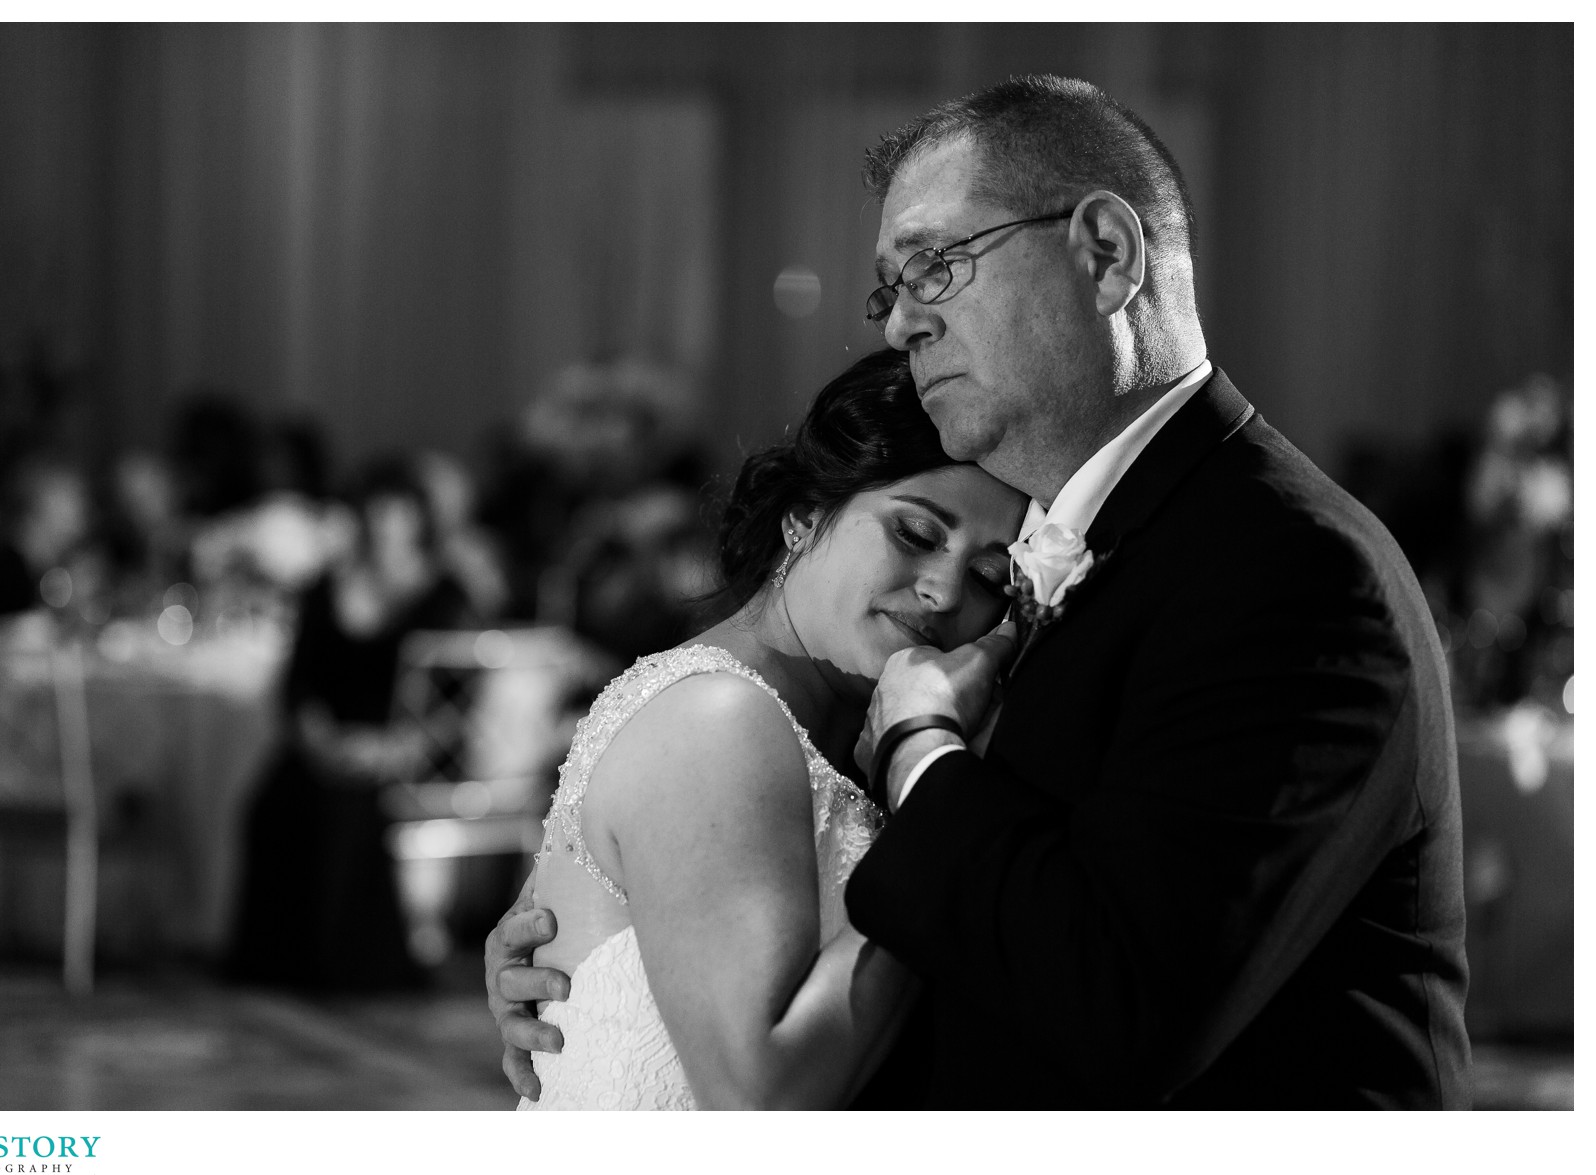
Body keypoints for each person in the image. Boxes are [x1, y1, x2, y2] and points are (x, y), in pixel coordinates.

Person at [489, 74, 1471, 1109]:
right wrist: (606, 946)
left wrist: (921, 755)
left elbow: (1121, 997)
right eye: (889, 288)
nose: (903, 324)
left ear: (1103, 253)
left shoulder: (1282, 569)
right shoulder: (1077, 549)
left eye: (935, 267)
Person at [505, 348, 1024, 1108]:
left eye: (988, 576)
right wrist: (935, 813)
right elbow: (759, 1096)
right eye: (915, 534)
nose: (945, 590)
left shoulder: (850, 724)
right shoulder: (718, 718)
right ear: (803, 515)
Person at [226, 457, 477, 991]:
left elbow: (459, 696)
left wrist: (398, 747)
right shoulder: (327, 586)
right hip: (333, 743)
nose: (387, 524)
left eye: (399, 512)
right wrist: (322, 741)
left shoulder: (445, 594)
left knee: (348, 808)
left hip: (411, 753)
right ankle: (278, 962)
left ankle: (347, 966)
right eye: (377, 511)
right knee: (274, 801)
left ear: (420, 519)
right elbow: (300, 684)